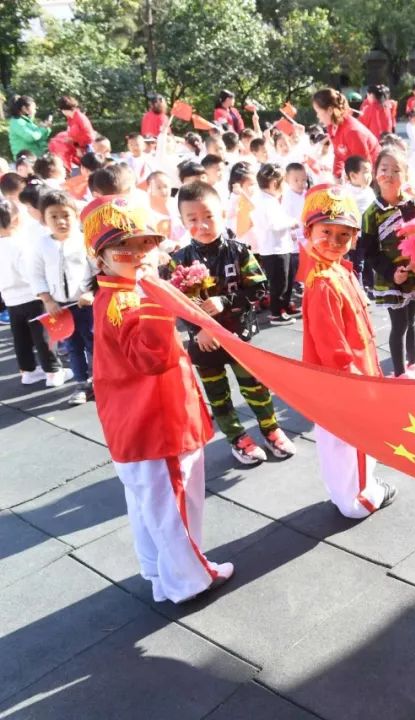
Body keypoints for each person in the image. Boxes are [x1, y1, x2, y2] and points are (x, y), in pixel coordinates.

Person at [81, 194, 233, 603]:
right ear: (101, 257)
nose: (137, 253)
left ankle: (161, 573)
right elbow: (152, 358)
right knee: (177, 505)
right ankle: (188, 579)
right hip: (156, 425)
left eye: (145, 243)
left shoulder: (119, 293)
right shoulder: (131, 299)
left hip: (138, 425)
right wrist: (160, 303)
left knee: (150, 508)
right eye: (123, 247)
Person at [171, 181, 296, 464]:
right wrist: (198, 329)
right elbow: (176, 304)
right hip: (204, 345)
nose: (201, 225)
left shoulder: (238, 251)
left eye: (208, 217)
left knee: (255, 386)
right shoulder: (178, 261)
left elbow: (259, 288)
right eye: (192, 219)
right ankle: (237, 438)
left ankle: (271, 428)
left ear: (222, 214)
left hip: (239, 337)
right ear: (182, 222)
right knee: (218, 395)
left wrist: (226, 302)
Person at [302, 184, 398, 517]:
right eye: (325, 232)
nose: (333, 241)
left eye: (343, 236)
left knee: (338, 445)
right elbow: (332, 345)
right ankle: (359, 498)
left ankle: (347, 491)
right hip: (345, 382)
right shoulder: (325, 282)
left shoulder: (335, 272)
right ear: (308, 231)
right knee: (350, 442)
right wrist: (352, 384)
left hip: (350, 378)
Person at [361, 147, 415, 376]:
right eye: (384, 169)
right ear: (376, 174)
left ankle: (414, 364)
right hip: (391, 279)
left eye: (397, 170)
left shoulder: (413, 206)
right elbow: (369, 251)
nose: (390, 175)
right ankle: (399, 372)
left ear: (405, 176)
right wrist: (391, 271)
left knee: (412, 320)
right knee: (399, 324)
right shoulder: (371, 213)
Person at [30, 190, 95, 404]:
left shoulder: (85, 240)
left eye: (65, 215)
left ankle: (98, 378)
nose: (61, 221)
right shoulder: (41, 245)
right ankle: (81, 383)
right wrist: (48, 300)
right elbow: (36, 275)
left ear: (75, 216)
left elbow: (97, 269)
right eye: (54, 216)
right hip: (61, 308)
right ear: (44, 219)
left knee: (94, 342)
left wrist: (91, 292)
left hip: (86, 304)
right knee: (72, 346)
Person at [0, 197, 65, 386]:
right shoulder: (20, 245)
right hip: (32, 297)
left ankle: (27, 371)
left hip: (11, 300)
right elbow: (30, 273)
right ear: (17, 220)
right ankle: (53, 371)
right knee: (43, 335)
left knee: (20, 338)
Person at [251, 163, 302, 324]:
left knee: (286, 280)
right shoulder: (264, 202)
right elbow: (273, 225)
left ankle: (284, 306)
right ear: (274, 183)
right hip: (273, 250)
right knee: (278, 283)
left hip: (281, 246)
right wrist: (291, 223)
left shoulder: (270, 200)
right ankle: (276, 312)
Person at [312, 88, 380, 181]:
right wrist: (336, 176)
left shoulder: (352, 132)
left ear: (330, 110)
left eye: (318, 112)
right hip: (357, 174)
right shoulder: (332, 126)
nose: (317, 116)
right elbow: (339, 154)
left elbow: (364, 167)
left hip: (375, 176)